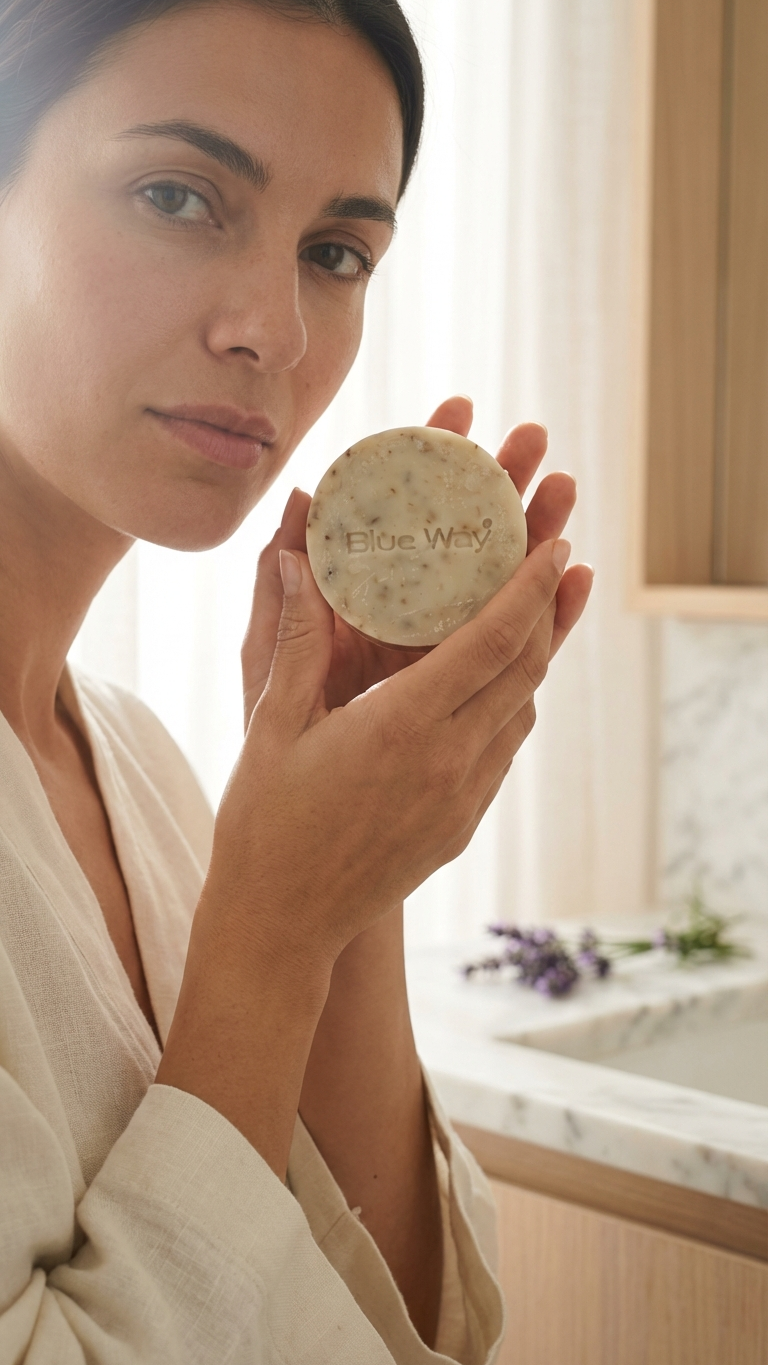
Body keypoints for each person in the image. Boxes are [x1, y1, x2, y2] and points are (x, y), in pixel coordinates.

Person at [0, 0, 593, 1360]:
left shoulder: (142, 767)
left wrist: (348, 880)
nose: (276, 330)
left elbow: (393, 1324)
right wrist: (270, 935)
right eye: (176, 196)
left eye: (336, 253)